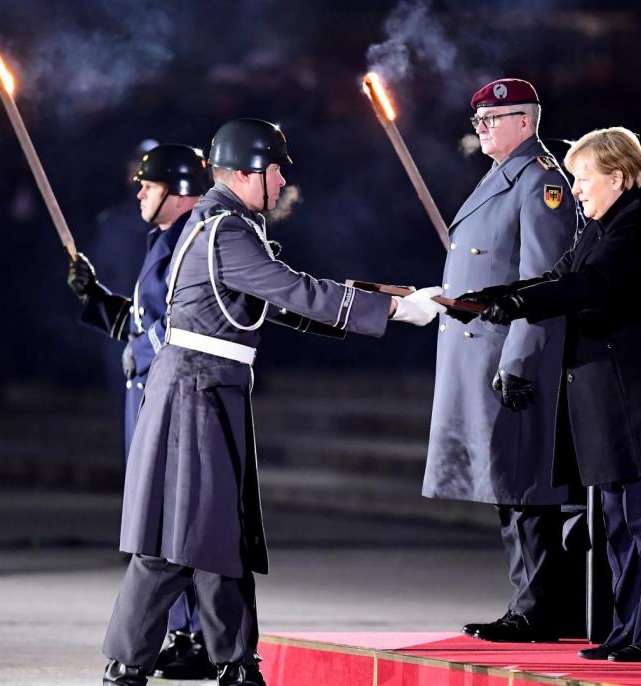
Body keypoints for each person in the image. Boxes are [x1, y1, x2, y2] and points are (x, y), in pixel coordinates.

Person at [101, 118, 445, 686]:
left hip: (211, 389)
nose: (283, 179)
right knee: (173, 540)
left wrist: (386, 296)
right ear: (243, 173)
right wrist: (391, 312)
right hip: (195, 392)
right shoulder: (224, 231)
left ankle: (235, 662)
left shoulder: (223, 224)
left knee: (219, 535)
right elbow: (294, 291)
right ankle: (128, 662)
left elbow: (280, 298)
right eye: (275, 168)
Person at [460, 127, 641, 662]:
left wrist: (516, 306)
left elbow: (591, 287)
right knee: (617, 525)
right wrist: (498, 295)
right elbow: (558, 275)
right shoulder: (600, 229)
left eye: (584, 179)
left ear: (619, 177)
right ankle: (628, 628)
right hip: (610, 407)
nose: (575, 189)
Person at [425, 78, 577, 643]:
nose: (482, 129)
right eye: (479, 121)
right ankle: (526, 602)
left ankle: (537, 609)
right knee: (506, 488)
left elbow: (543, 280)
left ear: (524, 121)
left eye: (493, 120)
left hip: (510, 357)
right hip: (477, 350)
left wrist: (520, 359)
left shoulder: (541, 183)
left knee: (524, 487)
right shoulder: (501, 178)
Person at [66, 143, 216, 680]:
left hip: (176, 393)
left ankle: (200, 636)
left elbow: (184, 321)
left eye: (148, 185)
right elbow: (144, 318)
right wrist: (97, 298)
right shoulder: (164, 239)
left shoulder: (195, 240)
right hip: (147, 392)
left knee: (178, 519)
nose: (138, 192)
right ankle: (183, 631)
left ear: (177, 191)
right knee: (156, 519)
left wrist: (145, 348)